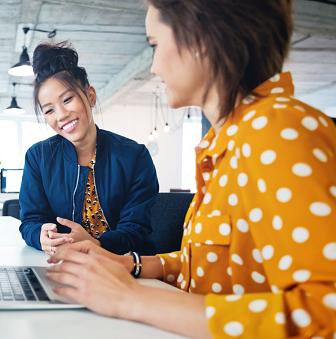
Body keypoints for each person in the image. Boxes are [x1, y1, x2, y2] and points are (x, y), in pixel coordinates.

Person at [45, 1, 336, 338]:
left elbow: (326, 311)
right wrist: (129, 265)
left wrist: (131, 298)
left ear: (200, 37)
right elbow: (208, 267)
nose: (153, 66)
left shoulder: (277, 129)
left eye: (155, 45)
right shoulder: (231, 138)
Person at [19, 41, 159, 256]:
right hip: (65, 265)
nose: (61, 115)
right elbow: (30, 221)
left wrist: (96, 244)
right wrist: (39, 235)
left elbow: (136, 229)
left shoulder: (135, 156)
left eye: (67, 99)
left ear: (90, 95)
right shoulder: (38, 157)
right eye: (49, 110)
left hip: (124, 267)